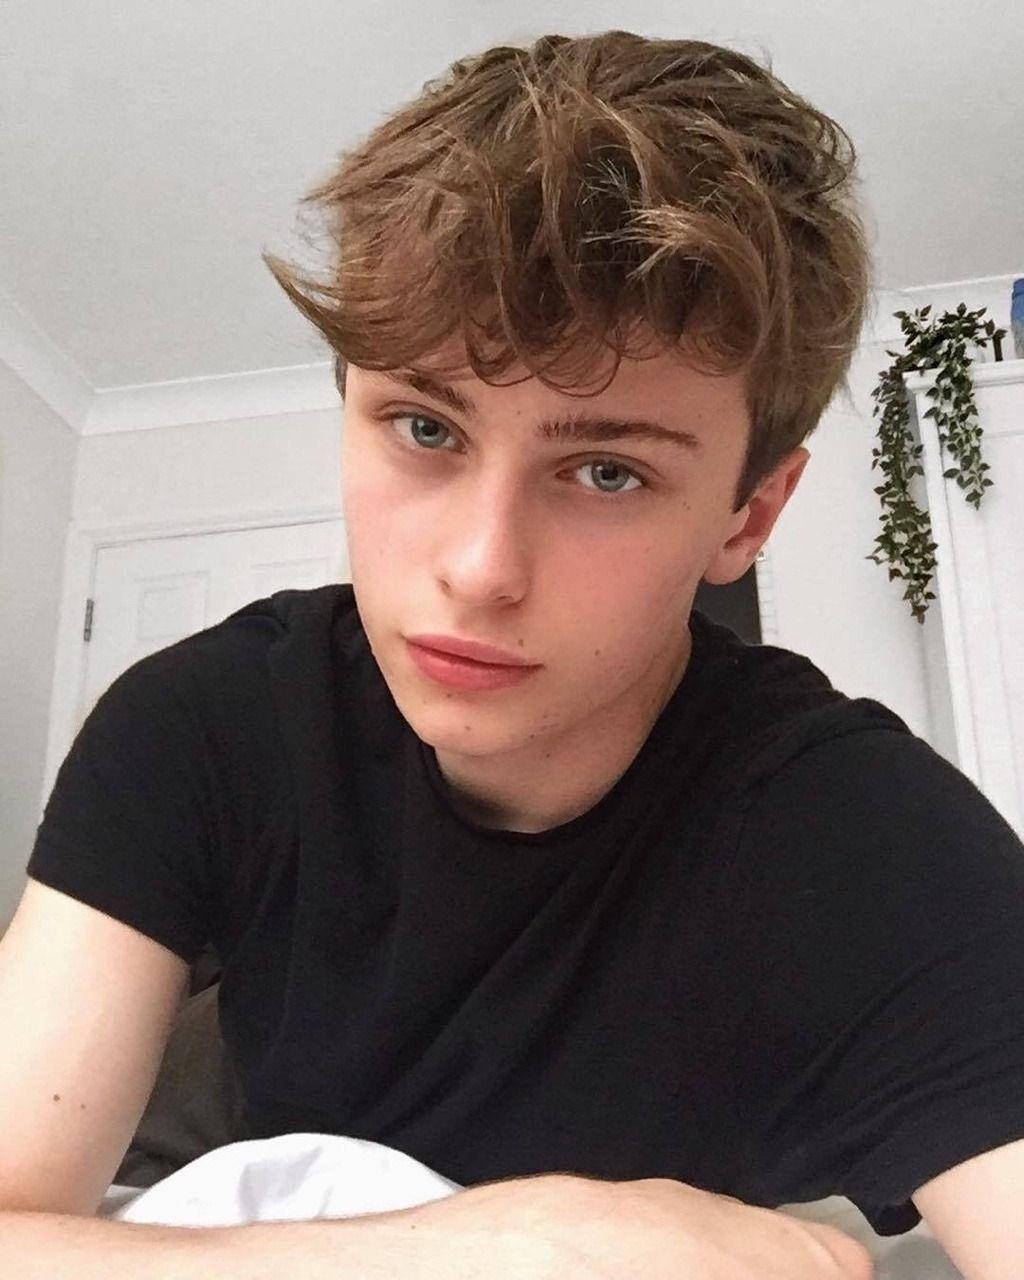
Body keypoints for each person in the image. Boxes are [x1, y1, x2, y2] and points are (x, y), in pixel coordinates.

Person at [1, 30, 1022, 1280]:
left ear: (747, 515)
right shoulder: (201, 724)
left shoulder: (861, 834)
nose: (481, 567)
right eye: (424, 427)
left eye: (607, 471)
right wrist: (492, 1249)